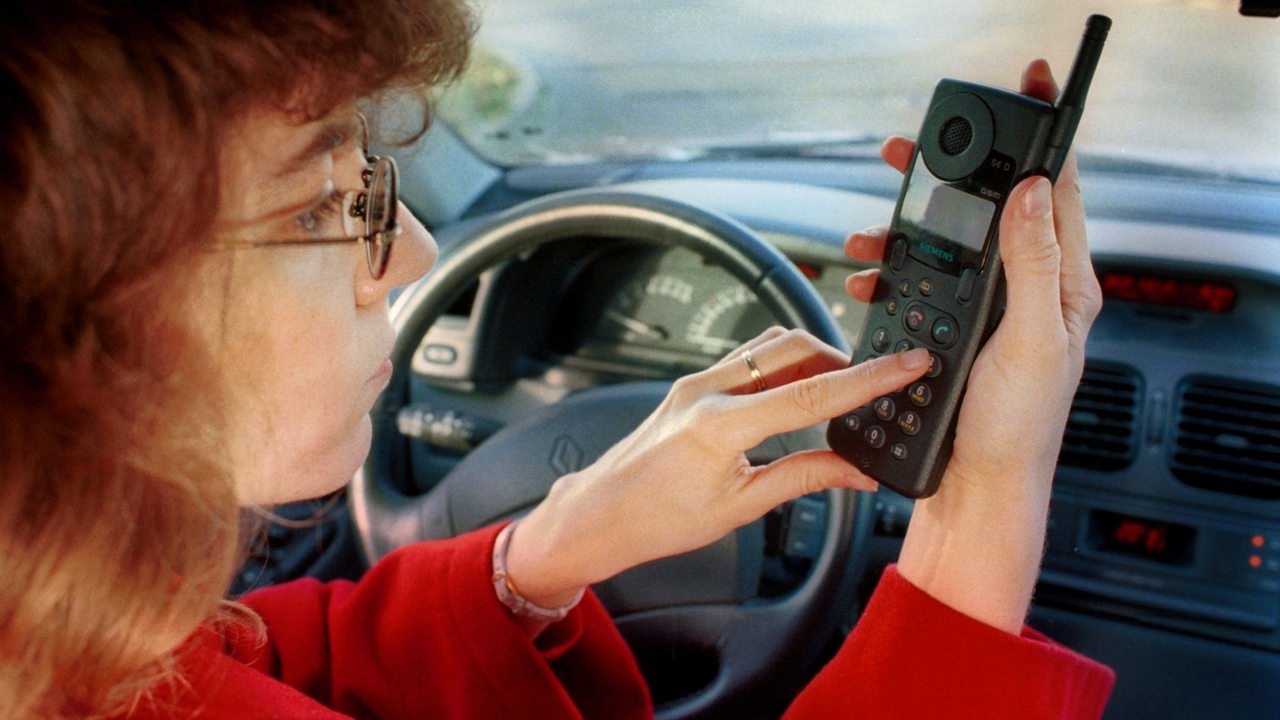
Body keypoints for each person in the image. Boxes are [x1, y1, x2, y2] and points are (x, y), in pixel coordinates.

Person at [0, 1, 1114, 718]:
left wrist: (540, 553)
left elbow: (237, 673)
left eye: (375, 179)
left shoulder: (65, 643)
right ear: (62, 310)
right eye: (318, 206)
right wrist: (981, 496)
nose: (415, 256)